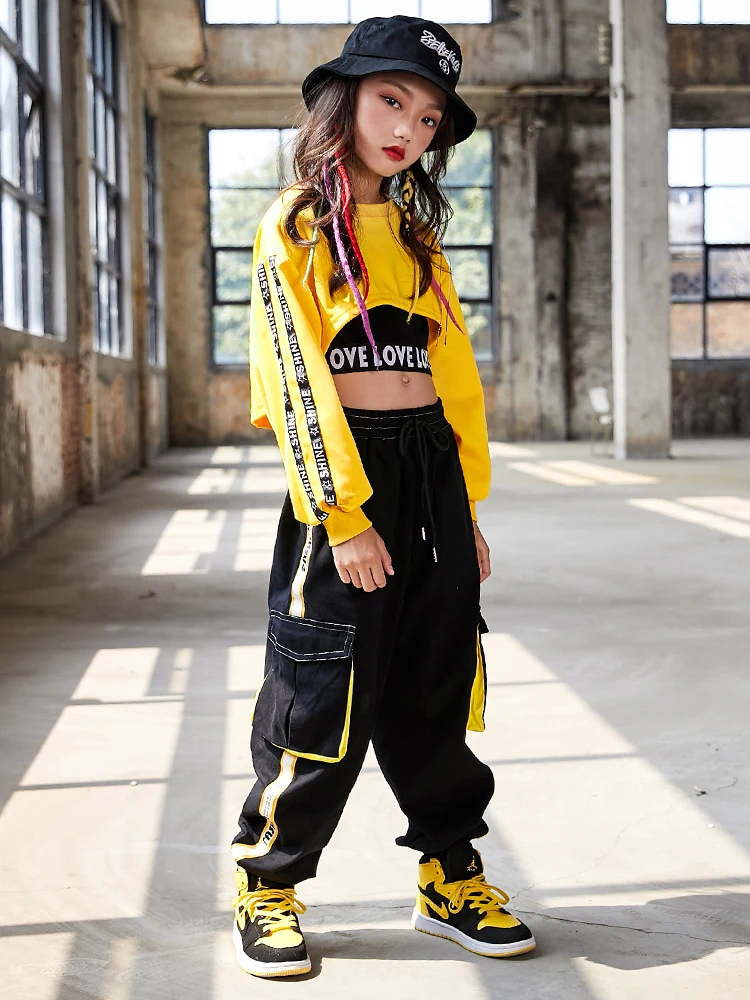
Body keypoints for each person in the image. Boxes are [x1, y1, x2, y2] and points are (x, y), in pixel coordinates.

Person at [230, 14, 536, 979]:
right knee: (324, 684)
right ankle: (268, 882)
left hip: (429, 471)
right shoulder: (295, 227)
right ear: (346, 100)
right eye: (391, 100)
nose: (408, 127)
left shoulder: (416, 237)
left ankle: (449, 875)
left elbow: (455, 377)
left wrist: (465, 503)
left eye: (429, 115)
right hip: (346, 474)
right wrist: (343, 513)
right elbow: (293, 381)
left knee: (437, 674)